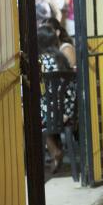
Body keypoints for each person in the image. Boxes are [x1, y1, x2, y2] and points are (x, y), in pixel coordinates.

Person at [37, 25, 76, 173]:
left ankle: (54, 151)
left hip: (50, 114)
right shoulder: (62, 58)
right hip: (67, 111)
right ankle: (56, 149)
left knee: (31, 118)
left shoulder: (40, 61)